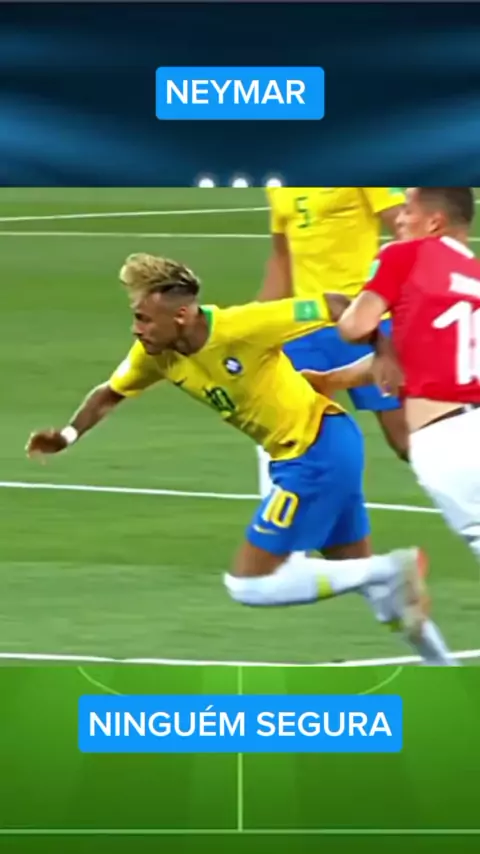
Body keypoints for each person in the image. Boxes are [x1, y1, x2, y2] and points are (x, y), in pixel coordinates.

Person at [25, 252, 442, 664]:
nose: (137, 329)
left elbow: (334, 305)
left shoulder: (243, 326)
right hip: (321, 448)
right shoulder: (156, 355)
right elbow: (110, 393)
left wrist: (384, 350)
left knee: (251, 584)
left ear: (182, 315)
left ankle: (392, 567)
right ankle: (442, 666)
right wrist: (67, 435)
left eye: (144, 319)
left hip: (315, 452)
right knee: (370, 584)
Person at [323, 187, 480, 579]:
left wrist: (367, 330)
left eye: (408, 210)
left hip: (444, 440)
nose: (400, 219)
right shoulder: (474, 277)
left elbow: (354, 326)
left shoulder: (403, 255)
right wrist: (331, 379)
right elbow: (424, 356)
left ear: (434, 222)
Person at [255, 186, 408, 500]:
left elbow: (408, 232)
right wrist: (256, 323)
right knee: (288, 433)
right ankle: (287, 524)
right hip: (305, 327)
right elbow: (282, 259)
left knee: (407, 440)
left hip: (367, 321)